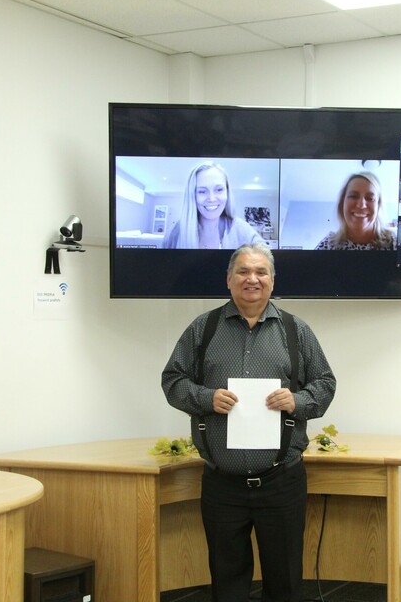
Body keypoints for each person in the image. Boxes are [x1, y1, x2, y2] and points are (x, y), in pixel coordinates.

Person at [161, 243, 336, 602]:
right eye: (243, 271)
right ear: (229, 279)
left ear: (272, 280)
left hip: (281, 481)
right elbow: (173, 381)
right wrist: (206, 398)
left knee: (285, 580)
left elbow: (325, 383)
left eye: (260, 272)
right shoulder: (203, 328)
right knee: (227, 581)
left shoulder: (295, 330)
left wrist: (297, 400)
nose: (251, 279)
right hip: (221, 484)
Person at [163, 161, 266, 249]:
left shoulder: (242, 230)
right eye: (202, 191)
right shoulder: (175, 233)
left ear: (227, 192)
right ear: (193, 195)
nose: (211, 199)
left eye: (219, 190)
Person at [315, 170, 396, 250]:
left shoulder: (393, 243)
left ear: (378, 205)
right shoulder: (328, 245)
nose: (361, 205)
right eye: (353, 196)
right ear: (342, 203)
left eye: (370, 198)